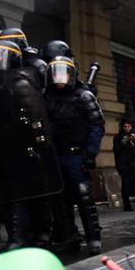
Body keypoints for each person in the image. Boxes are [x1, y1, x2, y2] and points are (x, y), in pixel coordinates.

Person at [44, 54, 105, 254]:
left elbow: (97, 126)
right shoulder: (46, 96)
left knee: (83, 195)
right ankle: (68, 236)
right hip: (55, 155)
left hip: (76, 155)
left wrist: (90, 155)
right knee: (59, 199)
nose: (59, 78)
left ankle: (93, 238)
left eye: (63, 73)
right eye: (56, 73)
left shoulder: (84, 96)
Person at [113, 119, 135, 211]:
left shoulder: (134, 137)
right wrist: (124, 141)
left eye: (129, 126)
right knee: (125, 185)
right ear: (122, 127)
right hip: (124, 165)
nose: (127, 128)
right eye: (125, 127)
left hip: (134, 164)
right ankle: (127, 206)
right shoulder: (118, 137)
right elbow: (116, 151)